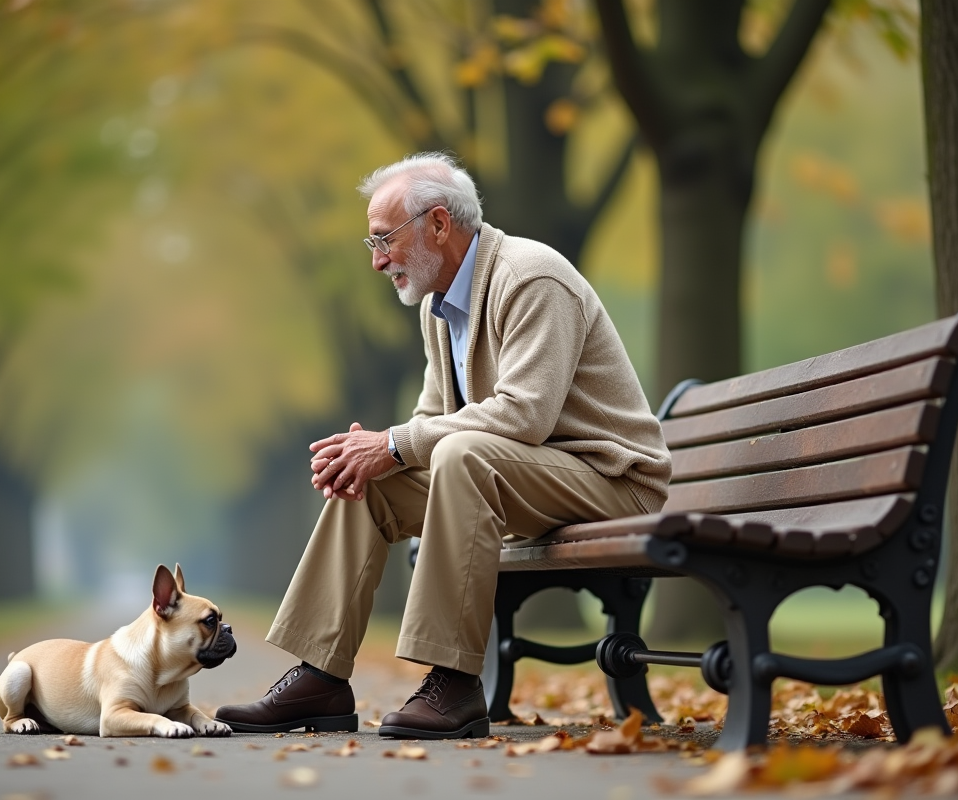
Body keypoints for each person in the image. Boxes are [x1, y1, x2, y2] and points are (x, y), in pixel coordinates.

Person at [214, 152, 671, 740]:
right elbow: (433, 417)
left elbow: (524, 414)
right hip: (527, 477)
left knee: (458, 454)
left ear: (437, 224)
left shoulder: (532, 277)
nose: (378, 261)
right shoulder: (438, 307)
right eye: (370, 244)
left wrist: (398, 441)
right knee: (371, 476)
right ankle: (321, 675)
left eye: (384, 240)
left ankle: (454, 682)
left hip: (614, 482)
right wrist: (374, 451)